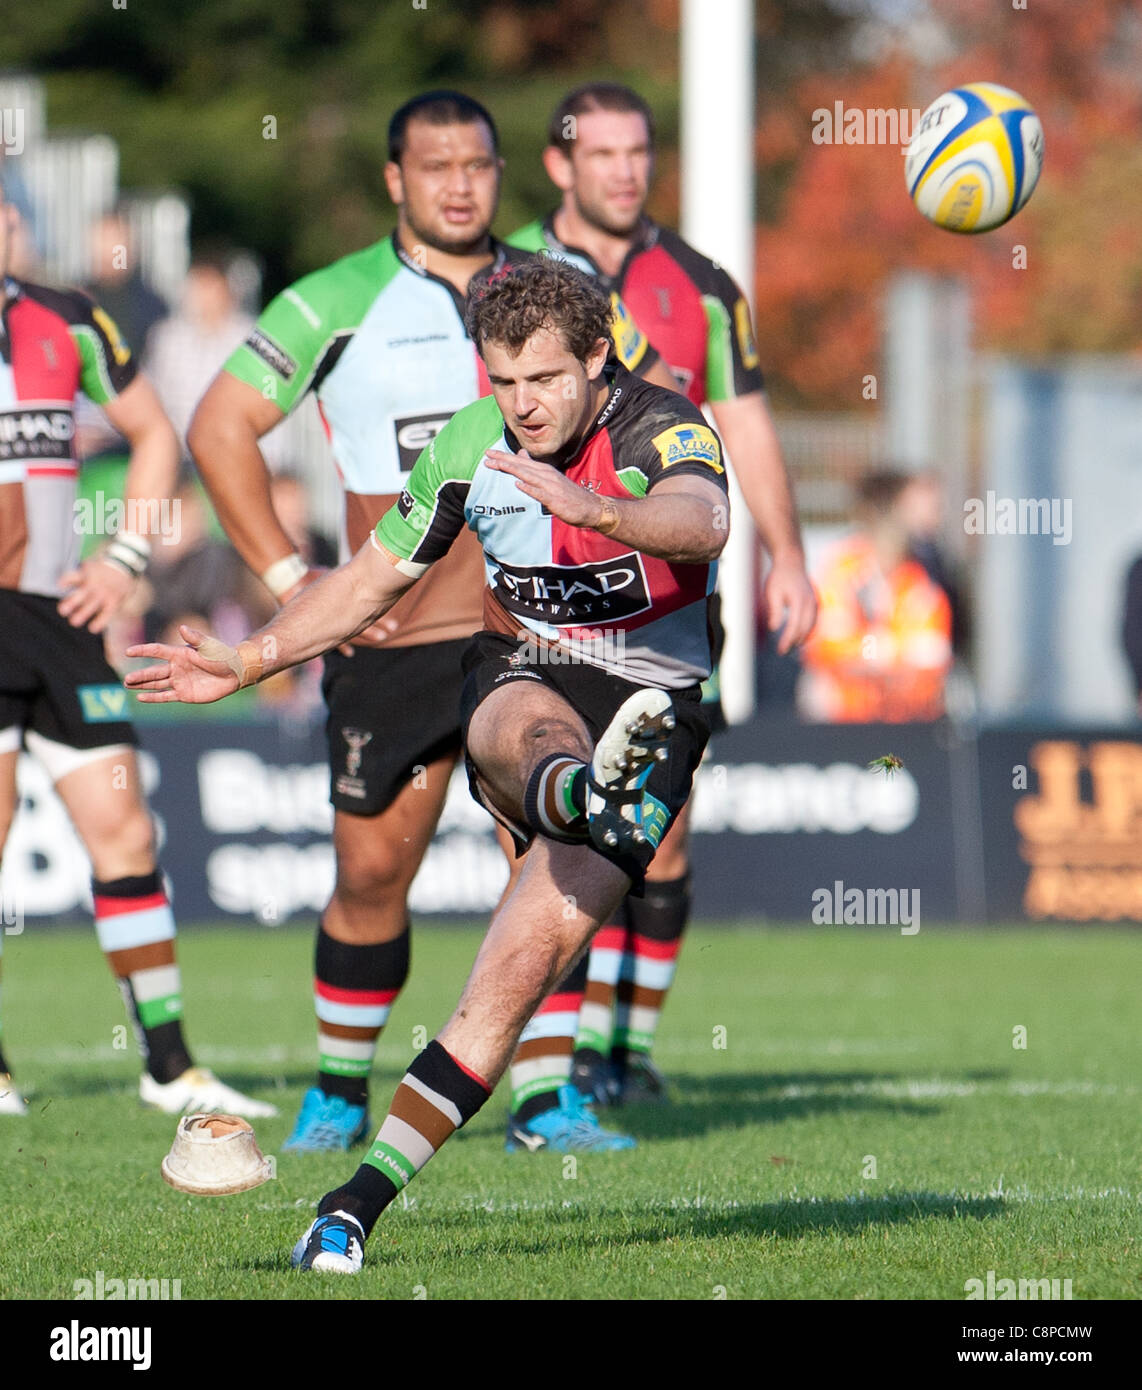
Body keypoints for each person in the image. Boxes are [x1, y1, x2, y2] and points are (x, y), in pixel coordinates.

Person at [126, 257, 729, 1272]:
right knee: (522, 724)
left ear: (596, 357)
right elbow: (369, 579)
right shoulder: (468, 444)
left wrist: (598, 514)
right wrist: (247, 657)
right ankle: (581, 791)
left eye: (543, 379)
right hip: (530, 673)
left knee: (505, 987)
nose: (522, 405)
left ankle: (350, 1203)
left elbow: (701, 521)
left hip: (656, 708)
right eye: (502, 381)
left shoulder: (662, 426)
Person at [187, 91, 669, 1154]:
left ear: (504, 172)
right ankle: (338, 1087)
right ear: (395, 180)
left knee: (553, 856)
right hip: (388, 636)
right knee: (370, 873)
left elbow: (650, 405)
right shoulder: (332, 300)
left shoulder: (561, 292)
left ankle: (546, 1099)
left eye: (478, 164)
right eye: (434, 166)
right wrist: (281, 575)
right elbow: (219, 424)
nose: (459, 184)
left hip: (536, 636)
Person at [505, 83, 817, 1114]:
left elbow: (743, 422)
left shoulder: (700, 284)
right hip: (542, 602)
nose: (624, 170)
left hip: (671, 604)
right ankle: (545, 1073)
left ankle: (618, 1050)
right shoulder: (509, 275)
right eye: (601, 152)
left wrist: (788, 552)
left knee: (660, 827)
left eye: (638, 150)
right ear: (560, 164)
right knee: (549, 834)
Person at [0, 182, 276, 1120]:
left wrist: (123, 555)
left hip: (64, 620)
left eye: (9, 217)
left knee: (125, 832)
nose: (5, 231)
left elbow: (157, 433)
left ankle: (169, 1066)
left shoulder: (67, 320)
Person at [798, 470, 953, 723]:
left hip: (909, 723)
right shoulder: (842, 569)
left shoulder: (921, 576)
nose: (931, 519)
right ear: (885, 511)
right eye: (913, 508)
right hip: (842, 723)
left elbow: (933, 655)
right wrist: (891, 651)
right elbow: (826, 648)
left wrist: (877, 653)